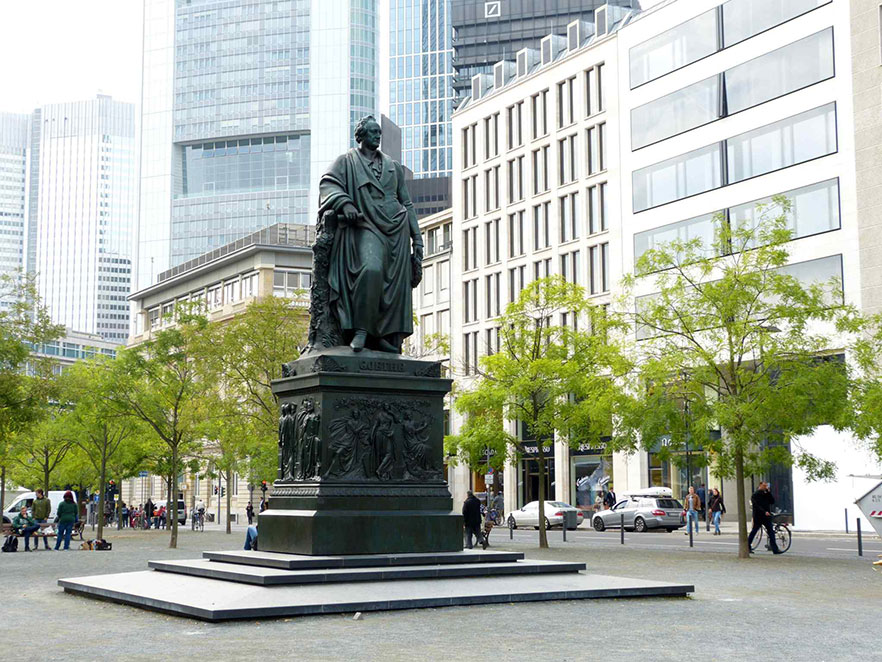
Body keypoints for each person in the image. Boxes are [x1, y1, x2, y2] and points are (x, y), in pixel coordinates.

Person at [316, 115, 423, 354]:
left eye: (379, 133)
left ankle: (383, 335)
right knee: (371, 270)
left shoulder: (393, 167)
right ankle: (361, 330)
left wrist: (417, 238)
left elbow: (407, 203)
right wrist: (345, 204)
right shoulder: (346, 161)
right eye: (373, 132)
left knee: (396, 284)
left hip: (396, 229)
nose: (377, 136)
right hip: (366, 226)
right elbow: (328, 184)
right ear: (360, 136)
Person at [747, 481, 782, 554]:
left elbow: (772, 501)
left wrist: (769, 492)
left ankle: (775, 549)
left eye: (766, 486)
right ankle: (747, 546)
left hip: (766, 516)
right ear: (760, 485)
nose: (765, 487)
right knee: (754, 531)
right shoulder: (755, 495)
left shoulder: (766, 494)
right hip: (758, 516)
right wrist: (764, 512)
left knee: (771, 532)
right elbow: (756, 505)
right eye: (764, 486)